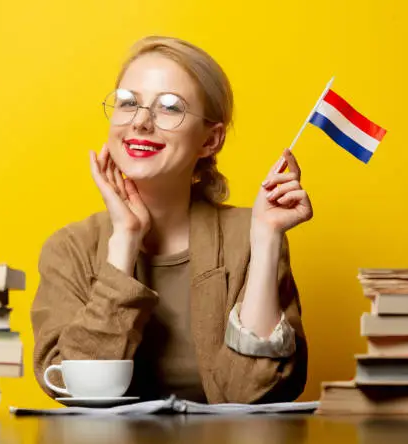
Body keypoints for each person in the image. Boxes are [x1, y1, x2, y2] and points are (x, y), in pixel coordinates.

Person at [31, 36, 313, 404]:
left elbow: (254, 395)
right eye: (128, 102)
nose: (141, 123)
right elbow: (71, 389)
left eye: (169, 108)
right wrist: (124, 244)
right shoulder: (69, 248)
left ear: (210, 141)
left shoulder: (250, 236)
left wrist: (266, 241)